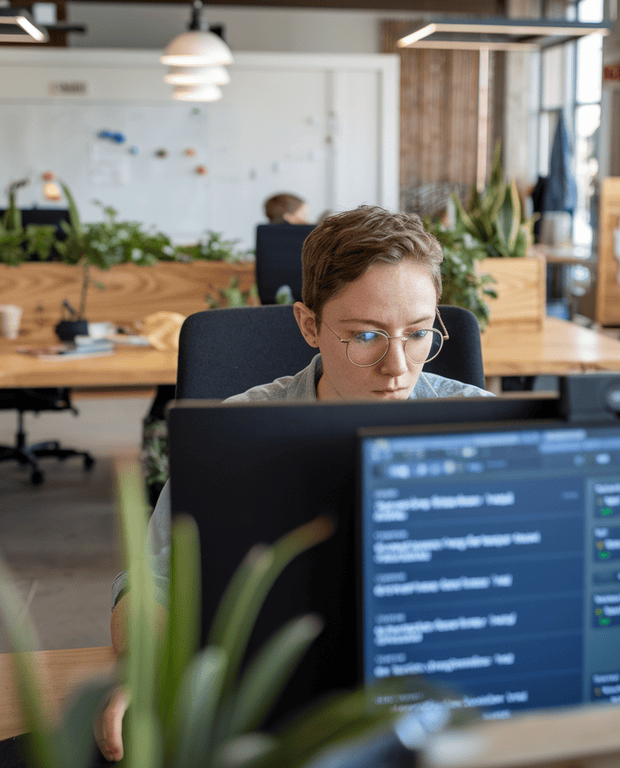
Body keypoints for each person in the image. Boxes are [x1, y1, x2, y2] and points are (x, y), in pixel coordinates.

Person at [96, 205, 492, 761]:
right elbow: (154, 582)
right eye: (367, 336)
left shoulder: (487, 425)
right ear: (310, 325)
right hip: (280, 709)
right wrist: (142, 673)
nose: (399, 366)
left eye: (420, 333)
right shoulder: (236, 430)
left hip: (448, 698)